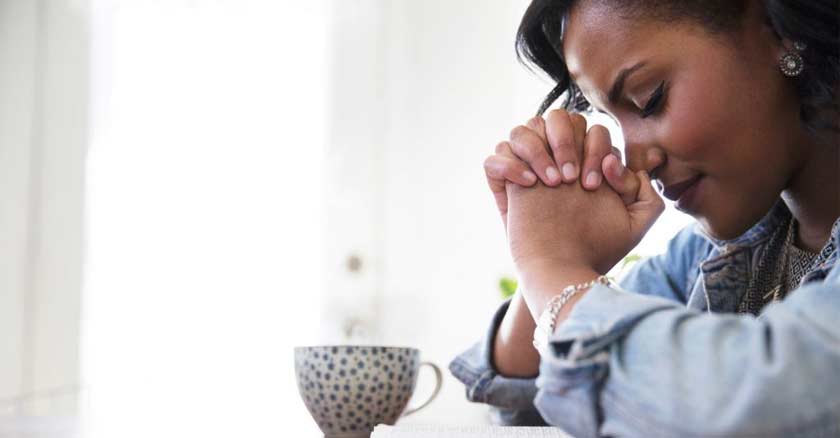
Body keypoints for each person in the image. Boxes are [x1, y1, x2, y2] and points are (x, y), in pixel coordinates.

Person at [449, 0, 840, 436]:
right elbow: (525, 399)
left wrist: (551, 267)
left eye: (649, 100)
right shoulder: (708, 257)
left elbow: (751, 407)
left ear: (775, 29)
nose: (637, 161)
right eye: (612, 120)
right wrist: (557, 252)